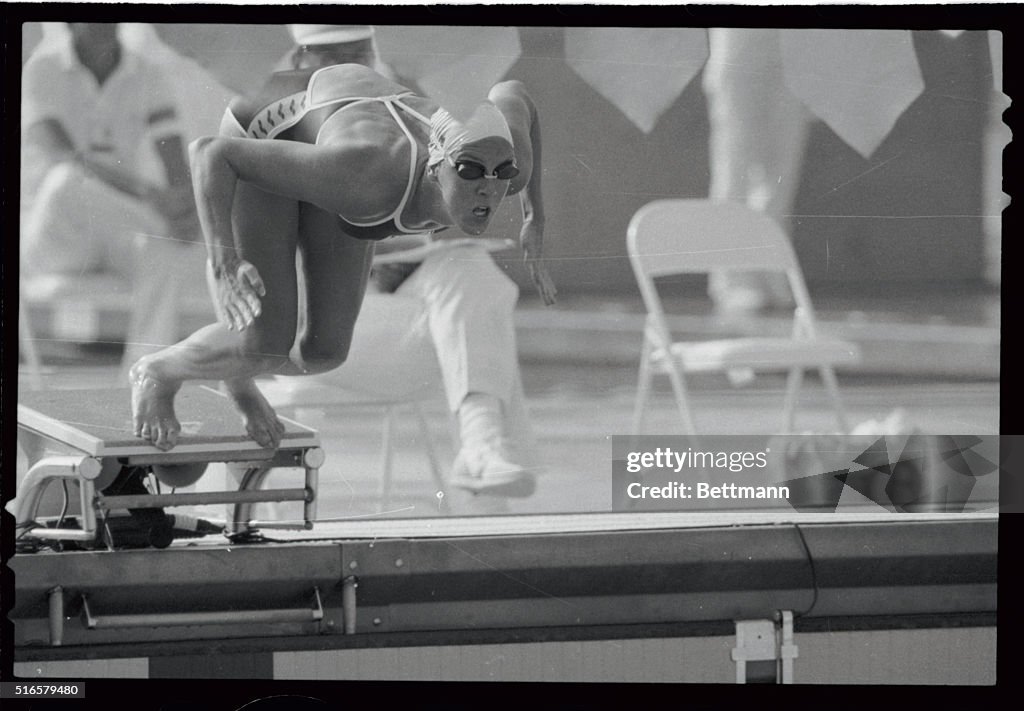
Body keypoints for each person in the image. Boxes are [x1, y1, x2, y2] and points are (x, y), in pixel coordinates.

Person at [129, 34, 554, 499]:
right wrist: (225, 259)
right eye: (469, 173)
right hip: (263, 132)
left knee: (324, 353)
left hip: (341, 130)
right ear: (436, 166)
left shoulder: (501, 162)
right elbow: (211, 153)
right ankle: (158, 371)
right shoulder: (367, 176)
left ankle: (237, 368)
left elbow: (515, 94)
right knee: (267, 345)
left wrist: (536, 216)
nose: (488, 192)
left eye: (503, 176)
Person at [271, 24, 543, 496]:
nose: (350, 61)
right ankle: (485, 449)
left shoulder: (396, 112)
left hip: (403, 322)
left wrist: (533, 215)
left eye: (360, 49)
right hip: (321, 335)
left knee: (471, 276)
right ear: (297, 61)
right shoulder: (280, 125)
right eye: (331, 53)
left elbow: (512, 97)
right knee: (481, 313)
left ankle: (482, 449)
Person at [21, 22, 202, 368]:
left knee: (161, 244)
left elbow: (176, 167)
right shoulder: (41, 69)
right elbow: (60, 153)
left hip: (110, 231)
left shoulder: (148, 72)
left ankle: (146, 375)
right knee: (67, 180)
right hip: (52, 239)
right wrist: (149, 195)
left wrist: (184, 209)